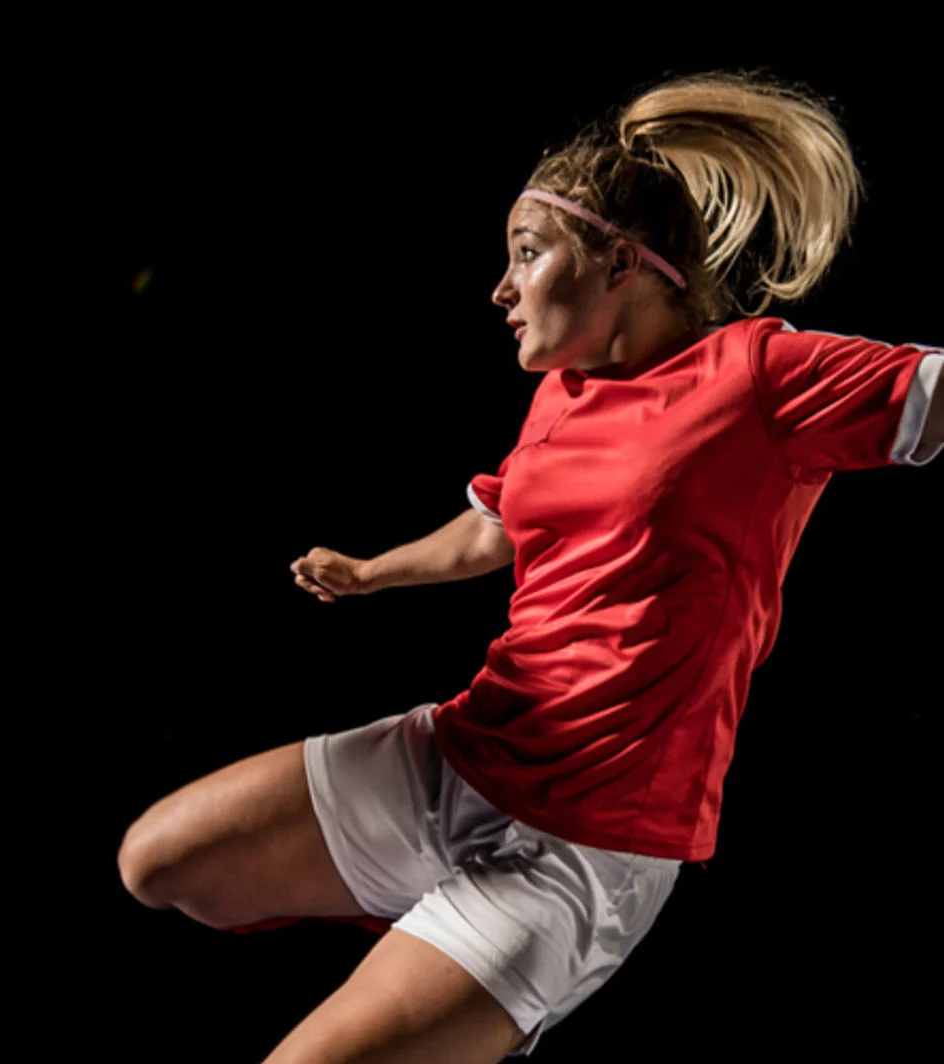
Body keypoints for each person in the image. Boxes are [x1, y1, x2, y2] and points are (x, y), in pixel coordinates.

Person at [117, 69, 944, 1063]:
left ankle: (469, 972)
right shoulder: (565, 388)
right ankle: (432, 939)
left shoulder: (758, 379)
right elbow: (495, 525)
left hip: (589, 845)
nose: (499, 289)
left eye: (526, 253)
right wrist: (376, 571)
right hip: (467, 755)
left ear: (622, 266)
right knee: (158, 861)